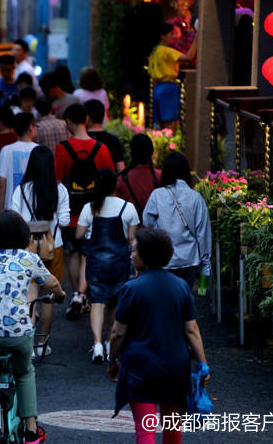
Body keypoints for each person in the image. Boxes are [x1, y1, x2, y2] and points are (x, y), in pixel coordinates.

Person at [0, 210, 65, 444]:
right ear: (23, 234)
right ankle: (31, 427)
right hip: (17, 333)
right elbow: (53, 283)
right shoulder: (27, 258)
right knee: (24, 371)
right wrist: (60, 295)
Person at [107, 227, 211, 444]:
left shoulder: (132, 288)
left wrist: (112, 360)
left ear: (145, 255)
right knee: (173, 431)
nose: (131, 254)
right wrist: (203, 364)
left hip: (140, 367)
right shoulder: (181, 287)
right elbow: (192, 329)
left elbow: (118, 332)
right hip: (175, 367)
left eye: (134, 250)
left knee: (145, 431)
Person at [54, 104, 114, 320]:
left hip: (71, 214)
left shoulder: (62, 149)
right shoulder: (102, 149)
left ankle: (76, 296)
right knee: (89, 255)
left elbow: (58, 181)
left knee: (73, 254)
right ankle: (84, 295)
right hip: (95, 212)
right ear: (86, 120)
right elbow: (109, 182)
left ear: (69, 122)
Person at [10, 146, 70, 356]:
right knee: (48, 296)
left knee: (30, 293)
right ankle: (42, 344)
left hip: (27, 248)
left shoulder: (22, 189)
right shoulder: (60, 190)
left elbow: (14, 219)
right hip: (54, 247)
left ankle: (26, 343)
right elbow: (64, 220)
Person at [75, 169, 139, 363]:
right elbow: (132, 239)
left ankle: (97, 345)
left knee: (97, 302)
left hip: (96, 262)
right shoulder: (128, 208)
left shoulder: (90, 208)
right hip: (119, 262)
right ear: (116, 185)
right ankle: (111, 344)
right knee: (114, 303)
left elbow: (78, 235)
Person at [143, 152, 211, 289]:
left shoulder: (157, 195)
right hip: (189, 259)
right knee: (184, 299)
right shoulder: (196, 198)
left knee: (164, 300)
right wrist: (205, 264)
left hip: (163, 259)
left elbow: (147, 224)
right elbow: (203, 234)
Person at [148, 23, 196, 130]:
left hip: (157, 88)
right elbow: (189, 57)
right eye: (171, 34)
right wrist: (197, 39)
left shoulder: (155, 51)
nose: (174, 36)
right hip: (168, 88)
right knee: (170, 124)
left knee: (160, 125)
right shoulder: (167, 51)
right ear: (162, 36)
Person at [0, 113, 38, 211]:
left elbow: (2, 182)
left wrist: (1, 209)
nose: (37, 128)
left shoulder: (6, 150)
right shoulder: (39, 150)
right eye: (36, 125)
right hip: (34, 207)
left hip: (12, 209)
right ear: (31, 127)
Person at [116, 134, 162, 224]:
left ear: (131, 152)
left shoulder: (122, 179)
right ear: (151, 151)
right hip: (156, 233)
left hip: (130, 233)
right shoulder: (160, 176)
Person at [85, 99, 125, 172]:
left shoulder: (81, 139)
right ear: (103, 116)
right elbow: (120, 168)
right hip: (108, 182)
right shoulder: (113, 140)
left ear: (87, 117)